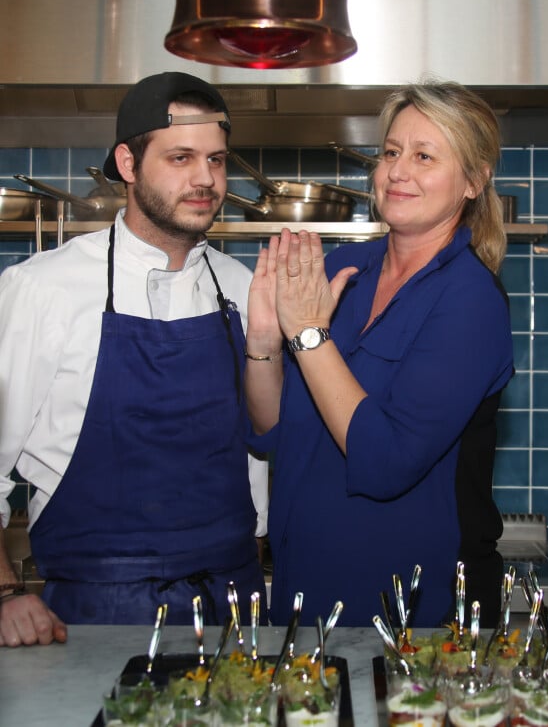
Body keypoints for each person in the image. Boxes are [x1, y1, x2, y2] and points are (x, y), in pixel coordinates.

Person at [0, 72, 269, 646]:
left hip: (233, 610)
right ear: (127, 163)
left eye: (217, 161)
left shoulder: (242, 288)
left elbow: (261, 455)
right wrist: (4, 593)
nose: (205, 179)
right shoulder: (41, 288)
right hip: (98, 615)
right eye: (181, 157)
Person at [245, 79, 514, 629]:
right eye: (391, 152)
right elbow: (272, 427)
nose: (397, 171)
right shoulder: (344, 270)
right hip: (304, 594)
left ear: (473, 180)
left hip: (415, 610)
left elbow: (385, 460)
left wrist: (309, 337)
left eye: (423, 156)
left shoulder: (470, 300)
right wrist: (264, 343)